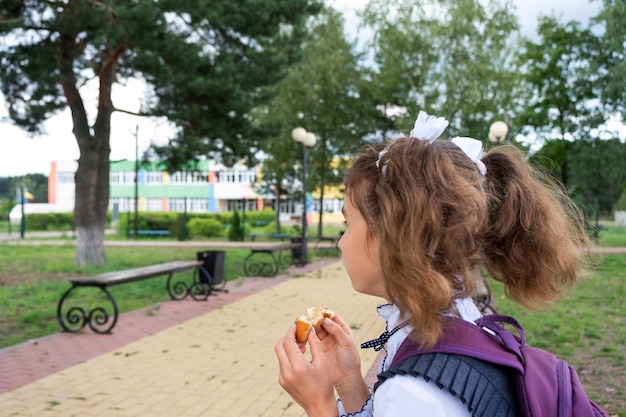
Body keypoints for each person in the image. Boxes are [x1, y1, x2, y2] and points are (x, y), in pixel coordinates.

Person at [274, 111, 592, 417]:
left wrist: (320, 407)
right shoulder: (457, 329)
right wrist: (348, 381)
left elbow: (409, 402)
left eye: (348, 222)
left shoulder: (415, 391)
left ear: (394, 235)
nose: (342, 241)